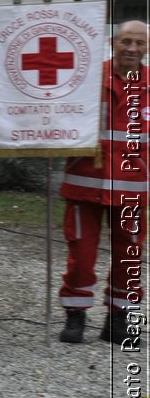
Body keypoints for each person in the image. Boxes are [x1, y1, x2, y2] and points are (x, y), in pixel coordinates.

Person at [59, 19, 148, 345]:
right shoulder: (87, 78)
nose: (132, 49)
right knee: (81, 255)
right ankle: (76, 314)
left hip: (133, 190)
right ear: (113, 42)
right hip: (86, 185)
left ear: (147, 47)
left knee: (130, 257)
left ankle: (118, 319)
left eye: (139, 43)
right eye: (126, 41)